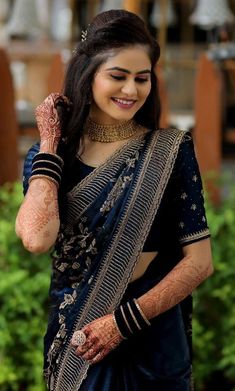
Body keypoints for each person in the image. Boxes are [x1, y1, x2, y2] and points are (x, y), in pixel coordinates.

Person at [15, 9, 213, 391]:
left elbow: (200, 263)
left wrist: (122, 324)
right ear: (88, 75)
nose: (131, 91)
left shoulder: (169, 151)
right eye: (118, 77)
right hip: (79, 339)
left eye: (142, 79)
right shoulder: (51, 158)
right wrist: (51, 142)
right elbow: (37, 239)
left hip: (152, 336)